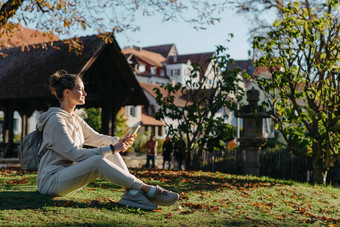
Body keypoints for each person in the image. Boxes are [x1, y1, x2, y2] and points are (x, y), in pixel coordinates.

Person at [36, 70, 179, 210]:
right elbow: (75, 154)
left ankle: (132, 193)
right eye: (80, 90)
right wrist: (112, 148)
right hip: (51, 181)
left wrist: (119, 142)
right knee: (99, 159)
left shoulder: (75, 119)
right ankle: (146, 189)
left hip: (67, 175)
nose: (85, 94)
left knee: (109, 148)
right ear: (67, 92)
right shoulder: (56, 120)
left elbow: (97, 138)